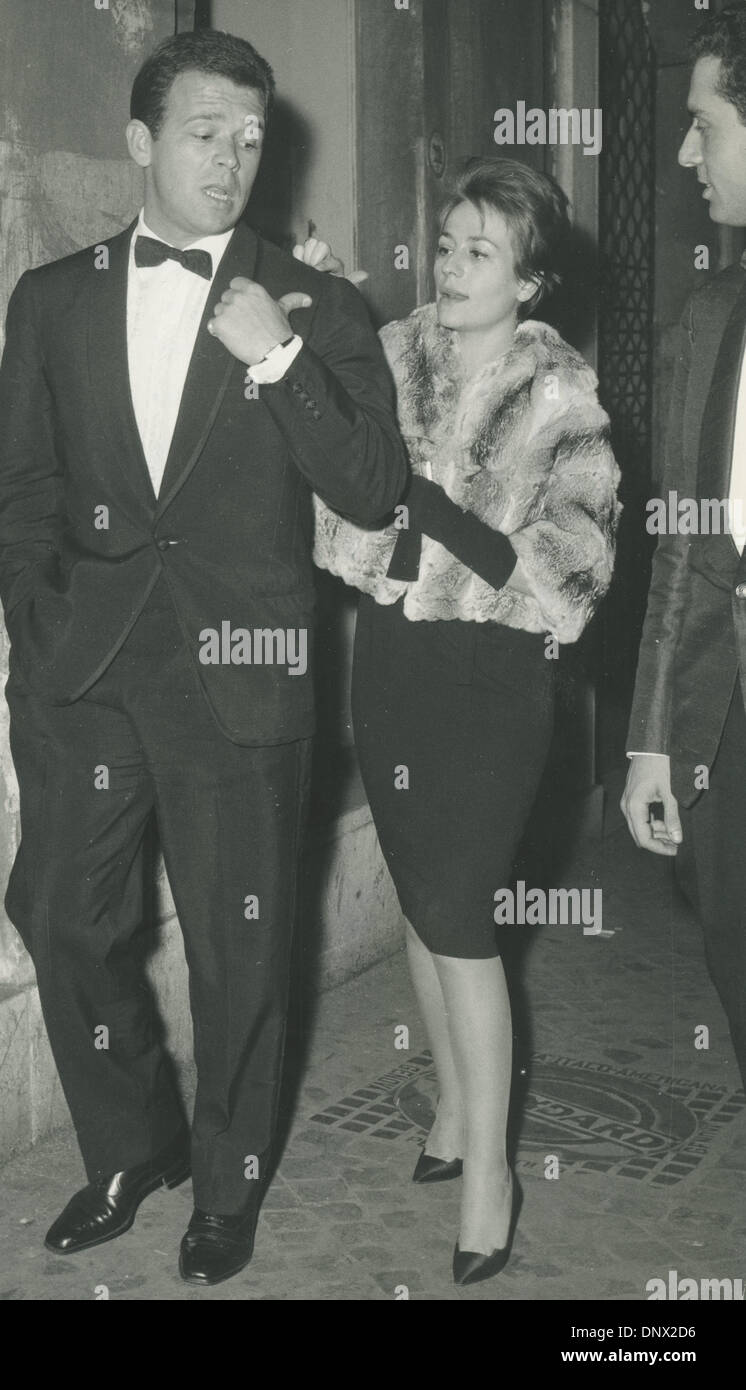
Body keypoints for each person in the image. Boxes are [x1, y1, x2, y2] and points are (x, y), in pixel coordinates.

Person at [0, 29, 407, 1288]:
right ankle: (131, 1143)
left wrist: (274, 356)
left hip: (244, 667)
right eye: (203, 132)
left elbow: (374, 485)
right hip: (88, 667)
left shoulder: (314, 305)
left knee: (241, 945)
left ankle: (224, 1186)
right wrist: (38, 621)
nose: (230, 158)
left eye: (250, 136)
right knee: (62, 913)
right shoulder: (51, 298)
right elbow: (23, 494)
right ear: (138, 143)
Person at [310, 157, 620, 1283]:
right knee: (415, 892)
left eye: (478, 251)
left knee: (457, 913)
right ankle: (448, 1111)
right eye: (443, 243)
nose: (448, 266)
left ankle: (490, 1173)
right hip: (394, 663)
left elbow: (567, 572)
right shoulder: (388, 356)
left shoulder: (560, 394)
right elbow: (340, 508)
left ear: (529, 281)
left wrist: (426, 509)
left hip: (496, 681)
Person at [622, 4, 746, 1088]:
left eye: (701, 124)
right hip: (727, 726)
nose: (679, 152)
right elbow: (683, 543)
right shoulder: (708, 316)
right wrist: (652, 737)